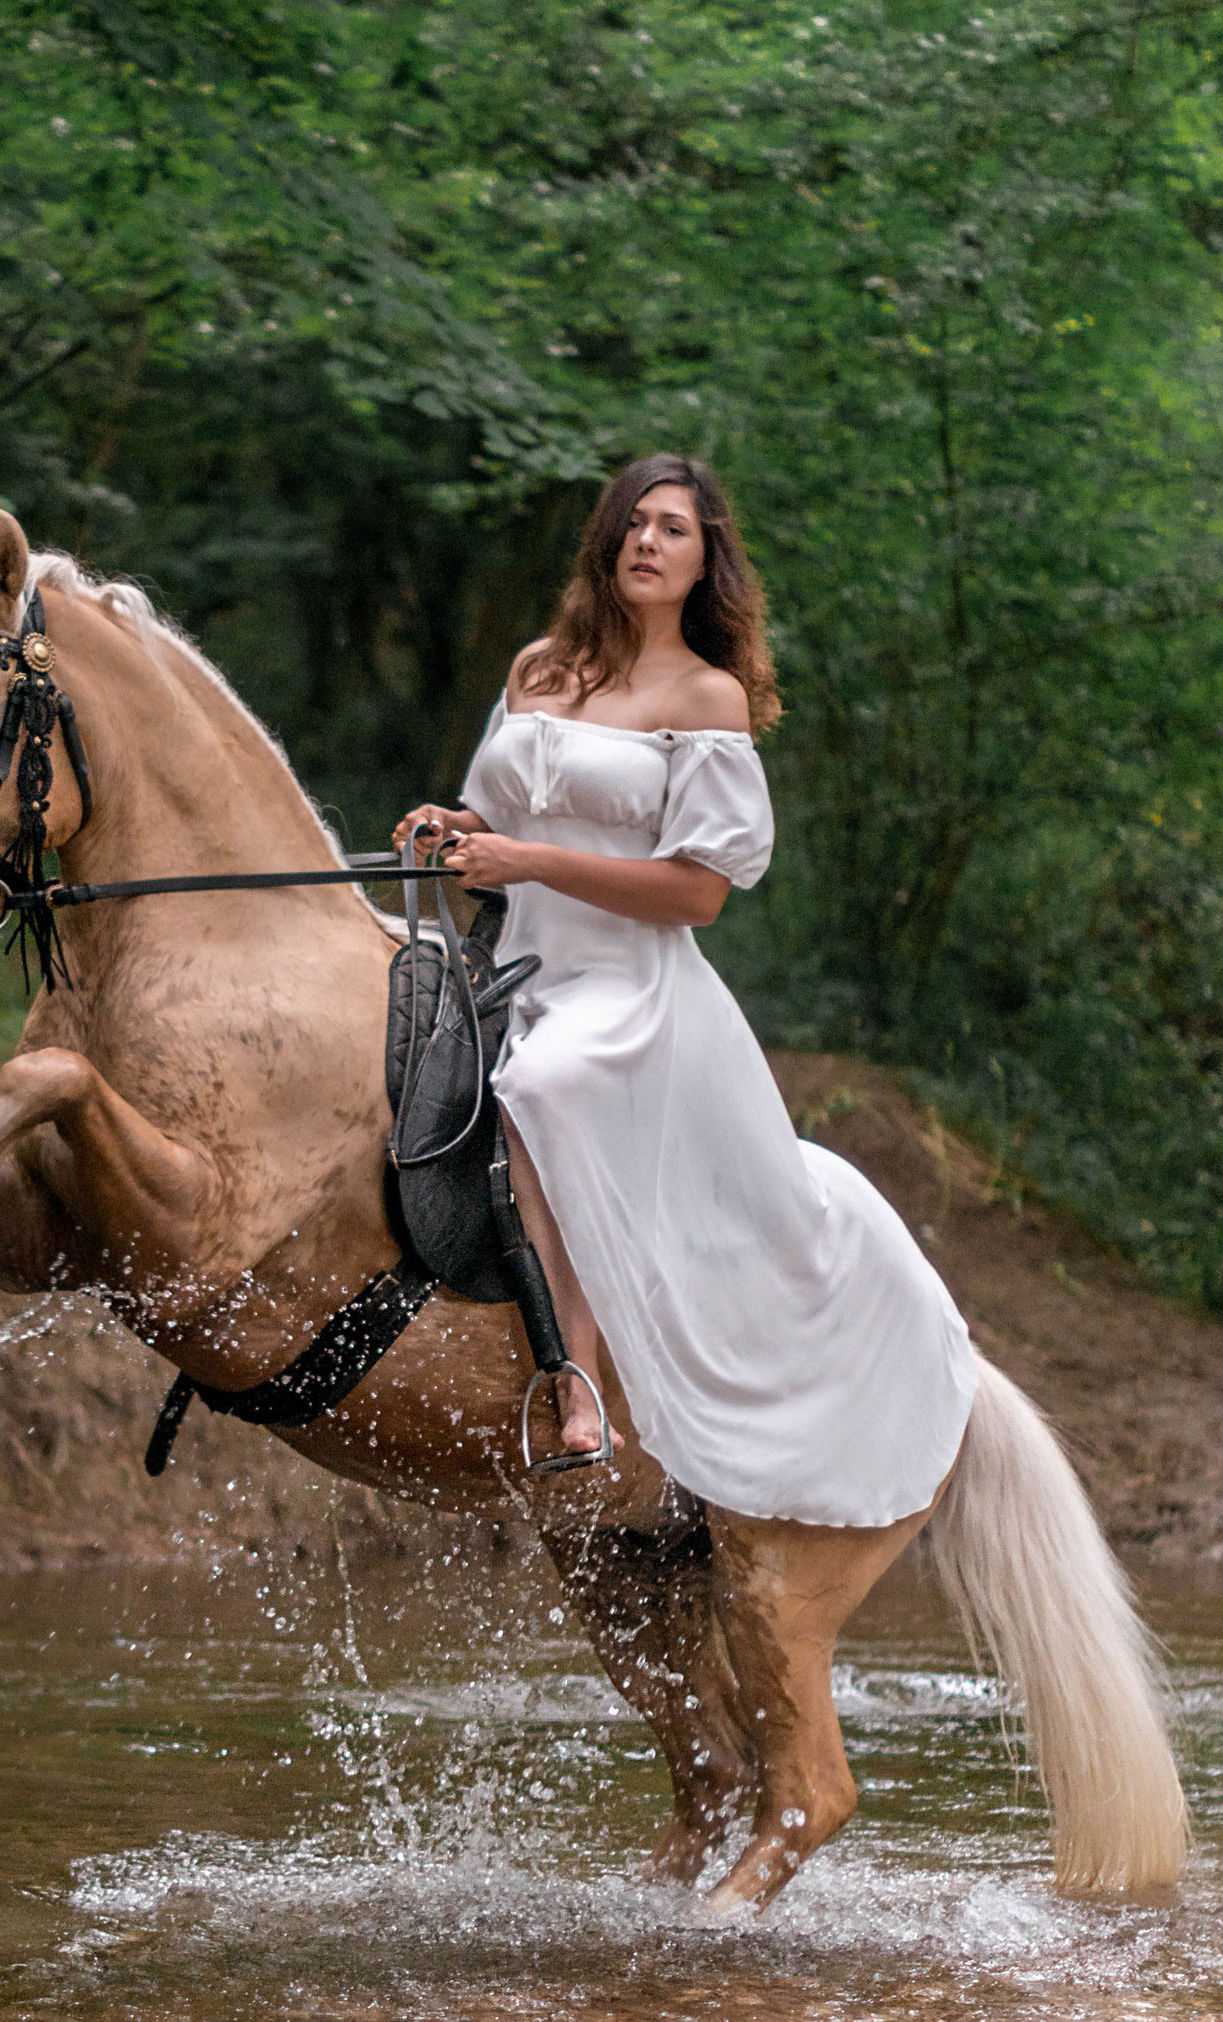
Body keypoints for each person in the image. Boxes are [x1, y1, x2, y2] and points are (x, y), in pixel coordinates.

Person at [394, 454, 977, 1526]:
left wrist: (523, 862)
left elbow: (695, 894)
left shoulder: (706, 698)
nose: (646, 542)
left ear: (706, 559)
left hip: (629, 987)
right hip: (515, 959)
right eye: (631, 524)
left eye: (671, 529)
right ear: (605, 544)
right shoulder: (536, 668)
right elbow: (496, 822)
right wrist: (456, 830)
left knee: (550, 1082)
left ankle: (570, 1375)